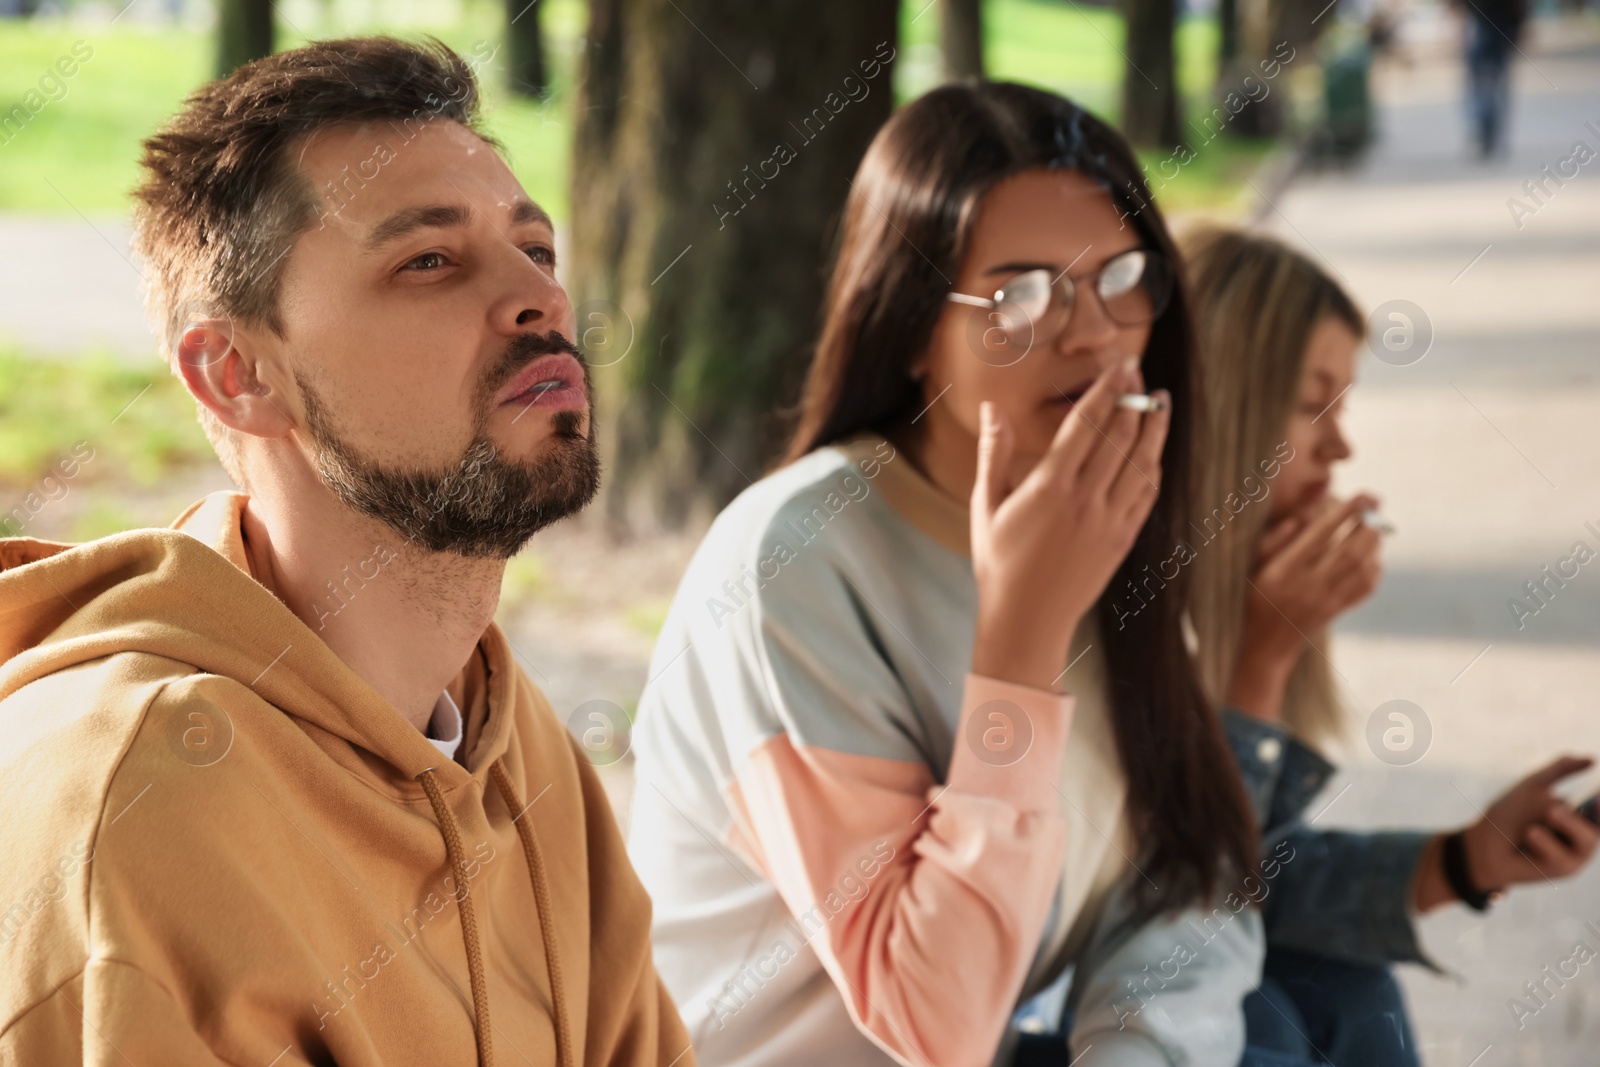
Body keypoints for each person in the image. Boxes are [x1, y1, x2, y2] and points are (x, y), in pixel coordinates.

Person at [0, 38, 690, 1067]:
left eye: (536, 250)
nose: (538, 299)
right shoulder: (139, 813)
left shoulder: (512, 735)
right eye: (429, 260)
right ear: (237, 371)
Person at [626, 83, 1270, 1067]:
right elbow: (933, 1019)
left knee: (1320, 1011)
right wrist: (1020, 639)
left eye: (1120, 277)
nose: (1092, 332)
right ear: (914, 328)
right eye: (1018, 293)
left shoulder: (1097, 515)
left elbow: (1184, 868)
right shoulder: (793, 564)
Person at [1180, 225, 1599, 1065]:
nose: (1342, 448)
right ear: (1222, 407)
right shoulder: (1106, 619)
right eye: (1311, 405)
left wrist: (1466, 860)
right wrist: (1259, 664)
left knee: (1351, 990)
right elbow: (1176, 922)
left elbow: (1257, 875)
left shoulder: (1212, 600)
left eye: (1344, 408)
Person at [1458, 0, 1528, 157]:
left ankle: (1488, 132)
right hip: (1488, 21)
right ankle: (1486, 132)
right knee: (1490, 82)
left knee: (1488, 82)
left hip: (1494, 22)